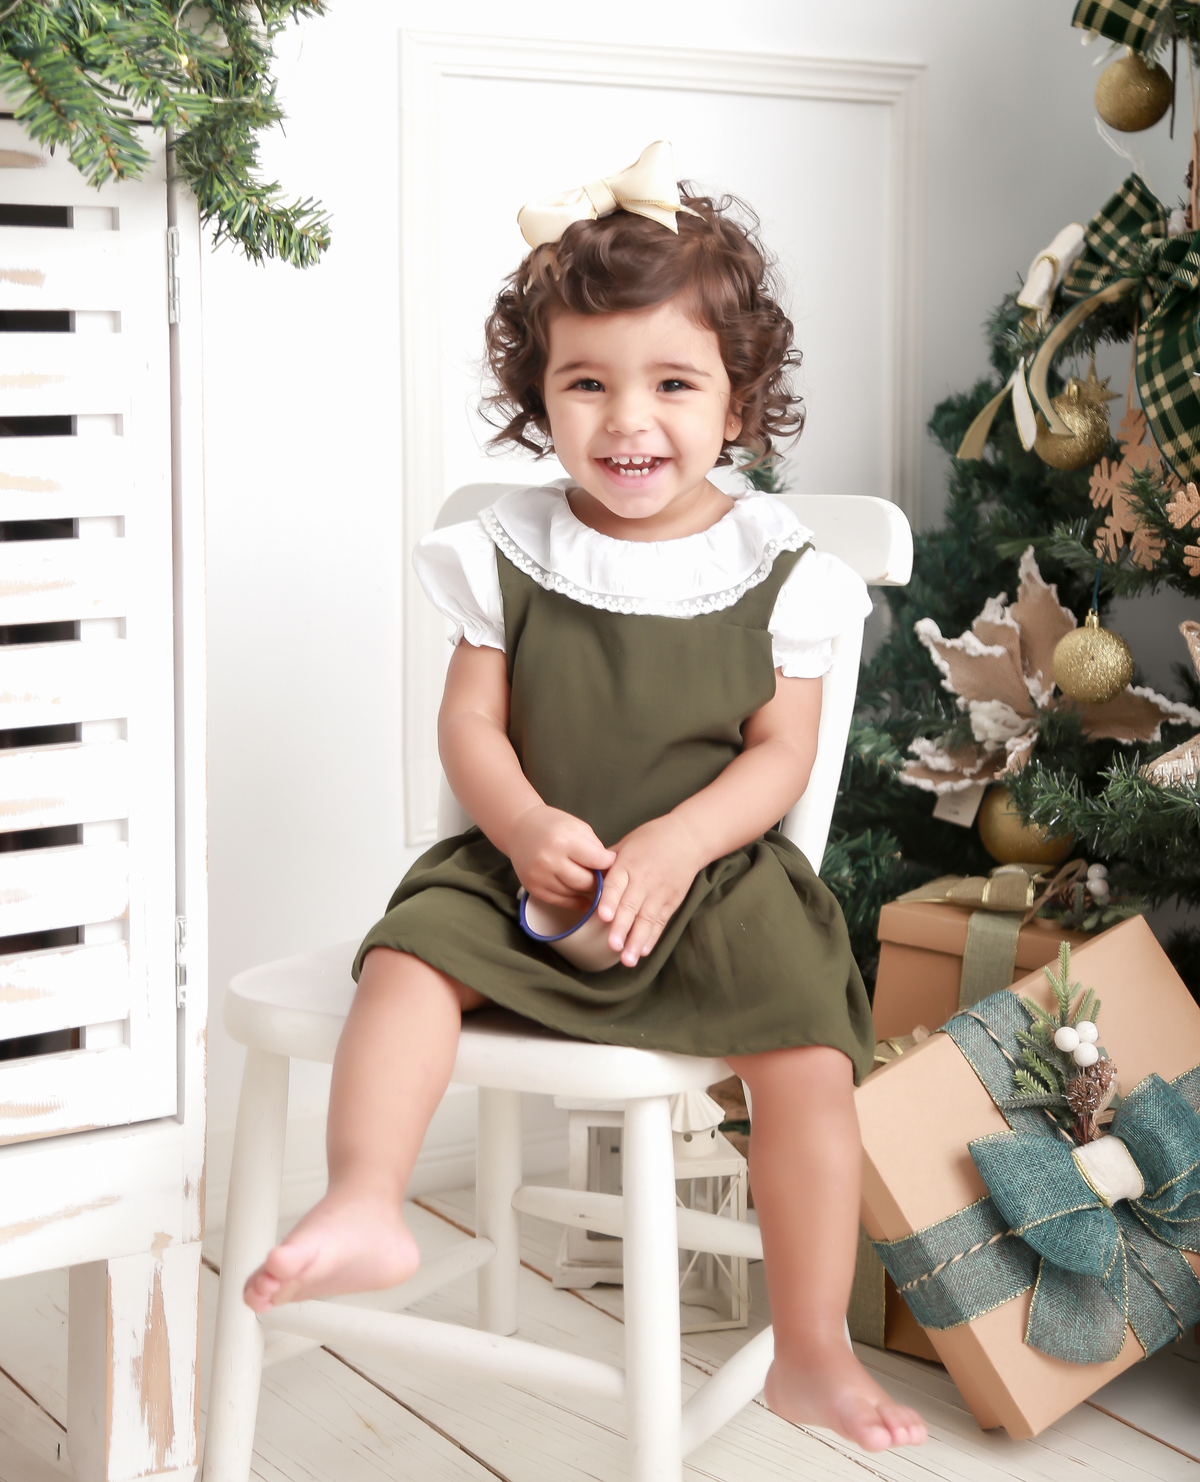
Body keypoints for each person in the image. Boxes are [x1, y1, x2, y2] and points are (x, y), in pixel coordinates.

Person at [244, 143, 927, 1452]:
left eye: (673, 382)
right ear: (538, 400)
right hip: (528, 867)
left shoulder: (779, 564)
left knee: (805, 1058)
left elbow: (779, 755)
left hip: (712, 880)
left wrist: (680, 839)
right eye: (587, 383)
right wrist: (517, 824)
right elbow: (469, 723)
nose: (629, 421)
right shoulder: (509, 548)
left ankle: (812, 1345)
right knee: (407, 960)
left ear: (739, 403)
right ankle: (367, 1196)